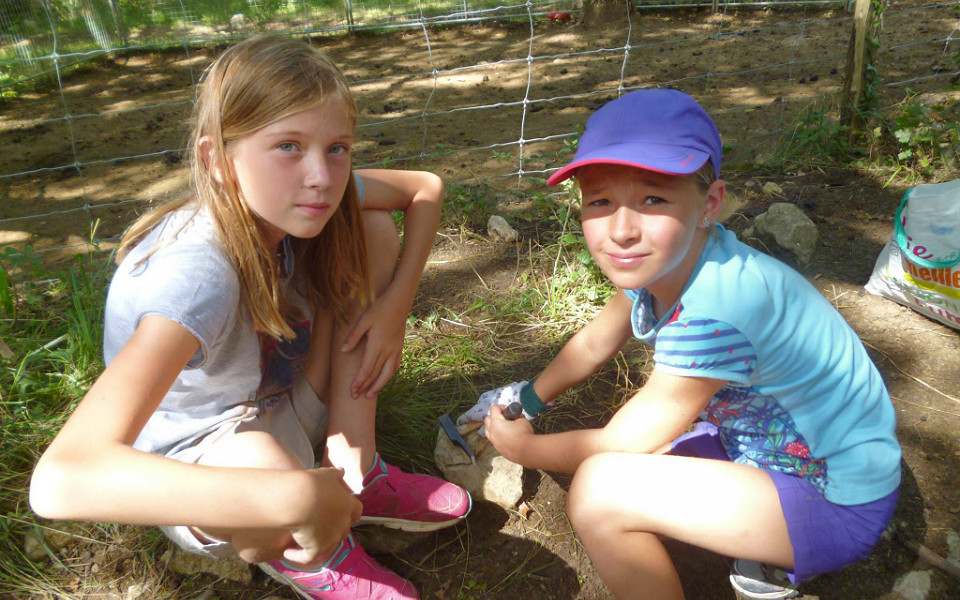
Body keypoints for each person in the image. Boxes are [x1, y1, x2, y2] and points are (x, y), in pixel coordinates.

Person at [30, 34, 471, 600]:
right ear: (217, 159)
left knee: (370, 226)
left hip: (278, 396)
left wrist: (394, 310)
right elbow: (62, 479)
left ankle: (355, 470)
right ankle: (315, 551)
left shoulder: (301, 194)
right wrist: (296, 499)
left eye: (337, 147)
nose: (321, 175)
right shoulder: (195, 275)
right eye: (288, 145)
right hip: (210, 461)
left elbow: (425, 190)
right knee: (265, 466)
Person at [458, 89, 901, 600]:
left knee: (600, 491)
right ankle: (759, 546)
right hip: (782, 451)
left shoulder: (718, 308)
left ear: (709, 203)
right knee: (661, 446)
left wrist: (528, 450)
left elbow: (621, 442)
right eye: (600, 201)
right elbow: (597, 339)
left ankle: (776, 554)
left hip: (835, 501)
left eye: (654, 199)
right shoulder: (677, 258)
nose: (622, 230)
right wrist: (530, 398)